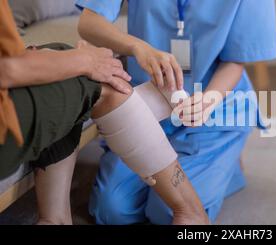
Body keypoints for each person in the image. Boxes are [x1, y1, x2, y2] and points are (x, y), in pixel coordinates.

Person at [0, 0, 208, 225]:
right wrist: (87, 59)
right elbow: (8, 67)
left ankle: (54, 219)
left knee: (62, 57)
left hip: (215, 111)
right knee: (97, 81)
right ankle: (192, 212)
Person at [76, 0, 276, 224]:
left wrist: (209, 100)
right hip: (148, 109)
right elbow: (88, 22)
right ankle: (214, 167)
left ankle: (227, 164)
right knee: (111, 212)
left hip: (212, 108)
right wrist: (137, 46)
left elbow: (235, 60)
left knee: (167, 212)